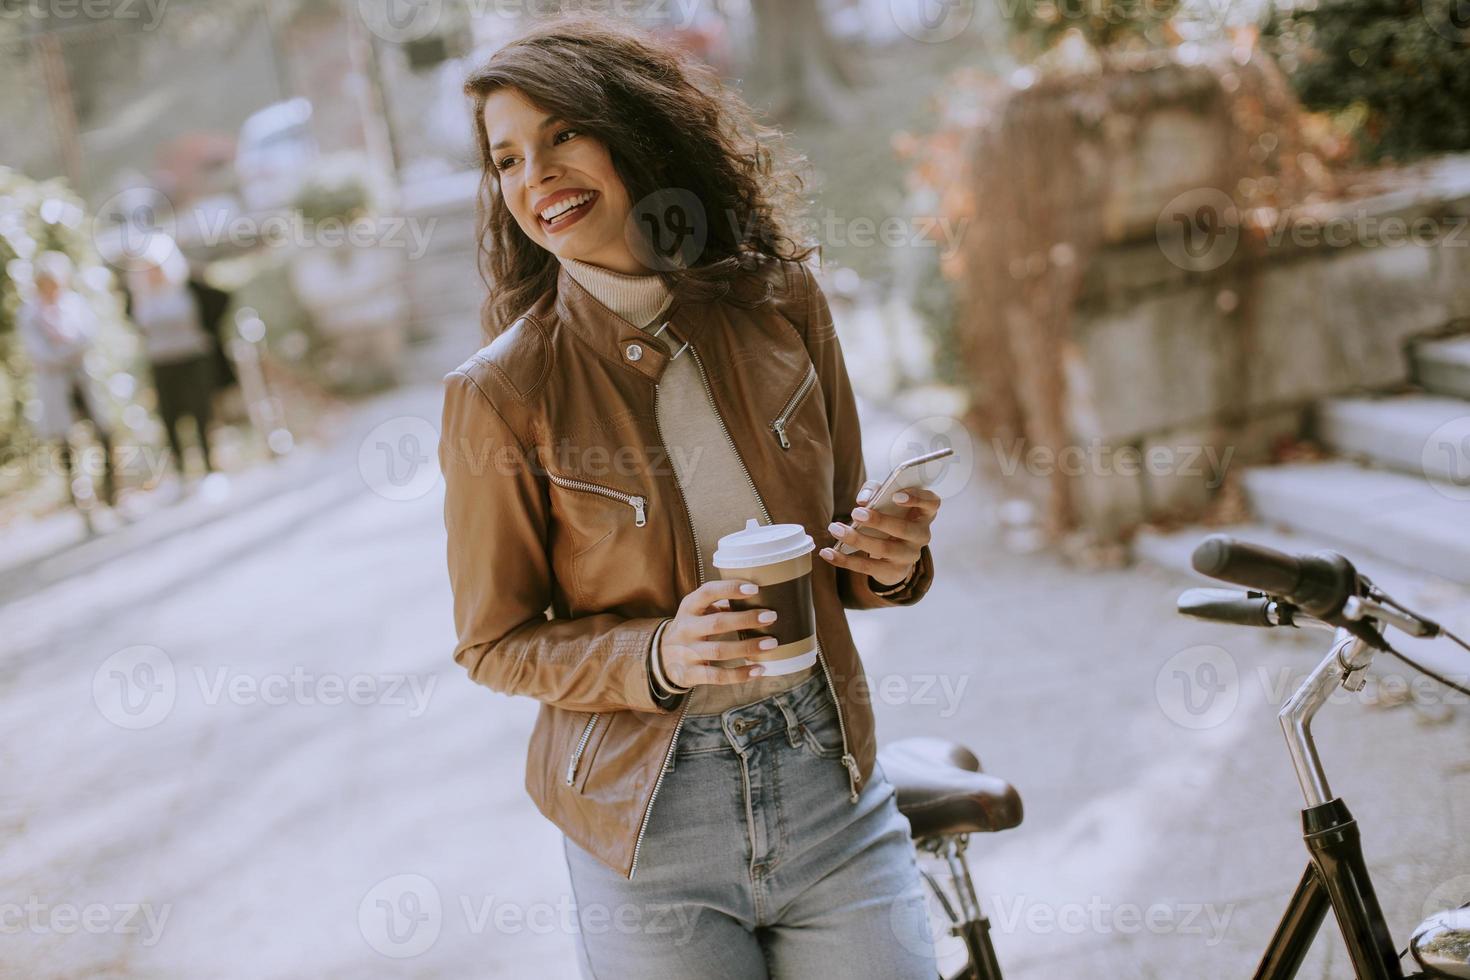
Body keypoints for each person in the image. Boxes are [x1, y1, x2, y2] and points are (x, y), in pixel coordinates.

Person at [440, 17, 945, 979]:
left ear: (636, 134)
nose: (534, 174)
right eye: (506, 160)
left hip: (828, 783)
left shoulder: (783, 304)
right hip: (647, 825)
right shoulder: (500, 395)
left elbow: (845, 542)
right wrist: (660, 653)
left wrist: (892, 561)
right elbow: (493, 643)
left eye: (562, 135)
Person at [16, 250, 121, 523]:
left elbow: (87, 337)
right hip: (56, 386)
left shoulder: (74, 304)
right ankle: (80, 502)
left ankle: (113, 494)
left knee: (103, 433)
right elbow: (39, 353)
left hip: (83, 380)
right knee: (65, 444)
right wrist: (66, 352)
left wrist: (63, 350)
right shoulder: (30, 314)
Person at [121, 235, 222, 489]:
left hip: (191, 356)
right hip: (162, 361)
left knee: (200, 412)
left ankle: (210, 465)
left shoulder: (185, 288)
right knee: (170, 416)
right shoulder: (140, 296)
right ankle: (181, 471)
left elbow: (215, 305)